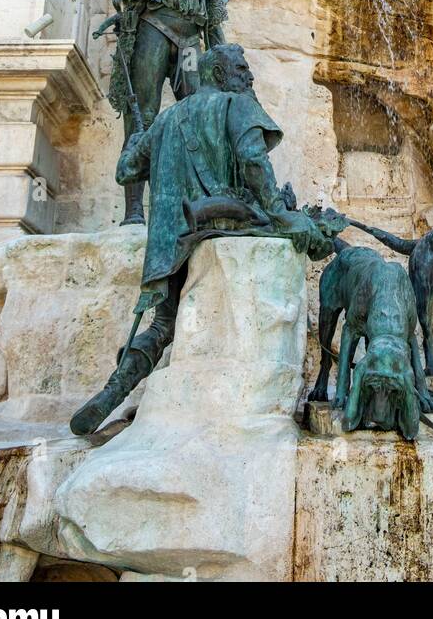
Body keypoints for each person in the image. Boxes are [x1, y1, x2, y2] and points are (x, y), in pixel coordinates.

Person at [70, 43, 334, 436]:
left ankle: (115, 389)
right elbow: (253, 161)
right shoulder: (236, 104)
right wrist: (281, 213)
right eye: (242, 69)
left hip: (170, 243)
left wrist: (141, 135)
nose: (250, 77)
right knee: (313, 235)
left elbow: (126, 171)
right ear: (220, 75)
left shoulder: (167, 118)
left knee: (163, 324)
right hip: (225, 222)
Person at [90, 0, 227, 225]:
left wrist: (223, 63)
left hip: (189, 47)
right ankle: (135, 211)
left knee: (197, 116)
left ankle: (199, 206)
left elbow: (214, 24)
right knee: (142, 118)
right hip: (152, 30)